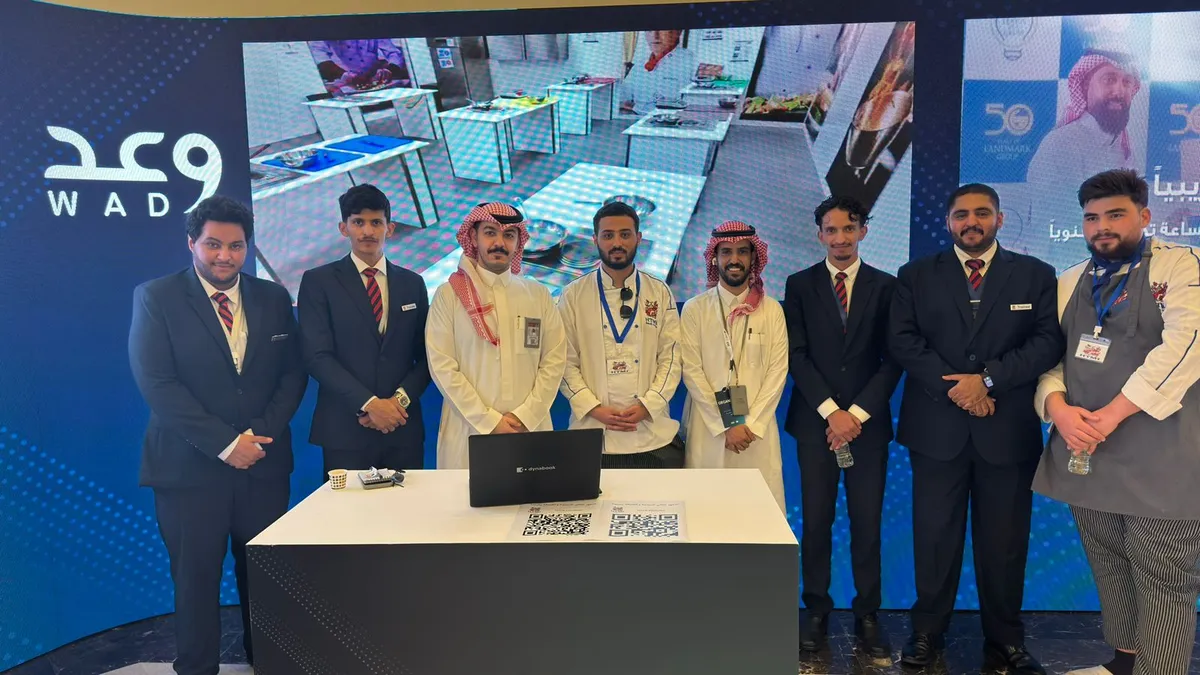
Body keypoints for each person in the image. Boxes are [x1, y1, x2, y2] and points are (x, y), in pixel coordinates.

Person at [889, 183, 1065, 673]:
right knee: (934, 538)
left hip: (1006, 433)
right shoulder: (915, 275)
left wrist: (986, 380)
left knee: (1005, 543)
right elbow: (903, 341)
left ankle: (1005, 639)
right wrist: (959, 389)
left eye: (982, 213)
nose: (972, 222)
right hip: (936, 432)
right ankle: (927, 633)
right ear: (948, 222)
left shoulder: (1035, 274)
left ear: (999, 219)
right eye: (962, 214)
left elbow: (1046, 343)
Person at [128, 196, 307, 675]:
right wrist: (227, 446)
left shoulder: (272, 298)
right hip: (188, 471)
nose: (224, 256)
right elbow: (157, 383)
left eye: (236, 245)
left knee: (265, 578)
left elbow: (293, 374)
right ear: (192, 243)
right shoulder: (157, 297)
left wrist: (258, 438)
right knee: (195, 581)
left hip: (262, 467)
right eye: (213, 244)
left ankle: (268, 662)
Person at [1032, 169, 1200, 675]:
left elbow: (1186, 346)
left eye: (1115, 215)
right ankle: (1123, 664)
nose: (1101, 226)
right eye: (1091, 218)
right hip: (1089, 454)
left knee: (1164, 577)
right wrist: (1058, 409)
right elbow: (1053, 361)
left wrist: (1111, 415)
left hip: (1163, 456)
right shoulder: (1069, 281)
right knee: (1110, 564)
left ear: (1144, 216)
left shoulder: (1181, 265)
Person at [783, 196, 901, 659]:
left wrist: (856, 415)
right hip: (815, 426)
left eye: (848, 229)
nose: (840, 238)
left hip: (867, 429)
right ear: (819, 235)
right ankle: (815, 611)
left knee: (866, 523)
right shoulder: (799, 284)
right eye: (831, 230)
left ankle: (867, 614)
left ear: (863, 232)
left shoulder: (887, 286)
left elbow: (893, 360)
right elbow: (797, 355)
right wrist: (832, 412)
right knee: (816, 522)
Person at [297, 184, 430, 475]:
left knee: (408, 505)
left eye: (376, 222)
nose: (368, 231)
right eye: (358, 222)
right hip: (345, 429)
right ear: (343, 228)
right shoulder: (319, 282)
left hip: (402, 425)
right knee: (347, 507)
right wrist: (369, 404)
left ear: (390, 228)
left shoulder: (412, 283)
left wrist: (396, 404)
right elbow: (316, 356)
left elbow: (426, 358)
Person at [425, 203, 566, 469]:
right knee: (466, 495)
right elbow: (442, 366)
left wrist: (527, 415)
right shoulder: (449, 295)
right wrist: (488, 421)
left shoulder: (538, 295)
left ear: (518, 242)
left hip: (530, 429)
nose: (499, 243)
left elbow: (554, 360)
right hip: (469, 431)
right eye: (490, 233)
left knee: (532, 495)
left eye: (509, 235)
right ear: (473, 237)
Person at [558, 202, 683, 468]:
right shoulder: (573, 295)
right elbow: (563, 360)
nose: (617, 243)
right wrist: (593, 408)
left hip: (653, 436)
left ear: (639, 238)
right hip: (592, 433)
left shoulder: (659, 292)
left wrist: (648, 405)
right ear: (595, 240)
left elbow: (672, 357)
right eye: (608, 235)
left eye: (625, 234)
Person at [680, 221, 788, 510]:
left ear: (754, 257)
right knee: (705, 514)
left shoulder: (772, 310)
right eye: (726, 252)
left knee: (757, 516)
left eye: (742, 251)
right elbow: (692, 371)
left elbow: (778, 372)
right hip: (709, 429)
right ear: (714, 258)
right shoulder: (695, 309)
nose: (734, 259)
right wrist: (724, 425)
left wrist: (749, 425)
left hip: (755, 433)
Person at [1025, 51, 1140, 266]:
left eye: (1126, 82)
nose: (1118, 91)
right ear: (1086, 86)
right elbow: (1062, 228)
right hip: (1067, 271)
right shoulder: (1062, 144)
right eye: (1109, 80)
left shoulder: (1122, 146)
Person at [619, 30, 698, 115]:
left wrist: (636, 108)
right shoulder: (640, 65)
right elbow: (621, 99)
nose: (655, 36)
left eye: (661, 30)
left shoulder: (693, 63)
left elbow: (694, 109)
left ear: (677, 32)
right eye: (649, 30)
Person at [310, 39, 411, 94]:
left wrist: (389, 70)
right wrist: (345, 75)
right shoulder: (325, 27)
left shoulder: (371, 25)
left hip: (375, 81)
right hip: (342, 84)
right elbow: (319, 57)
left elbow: (393, 53)